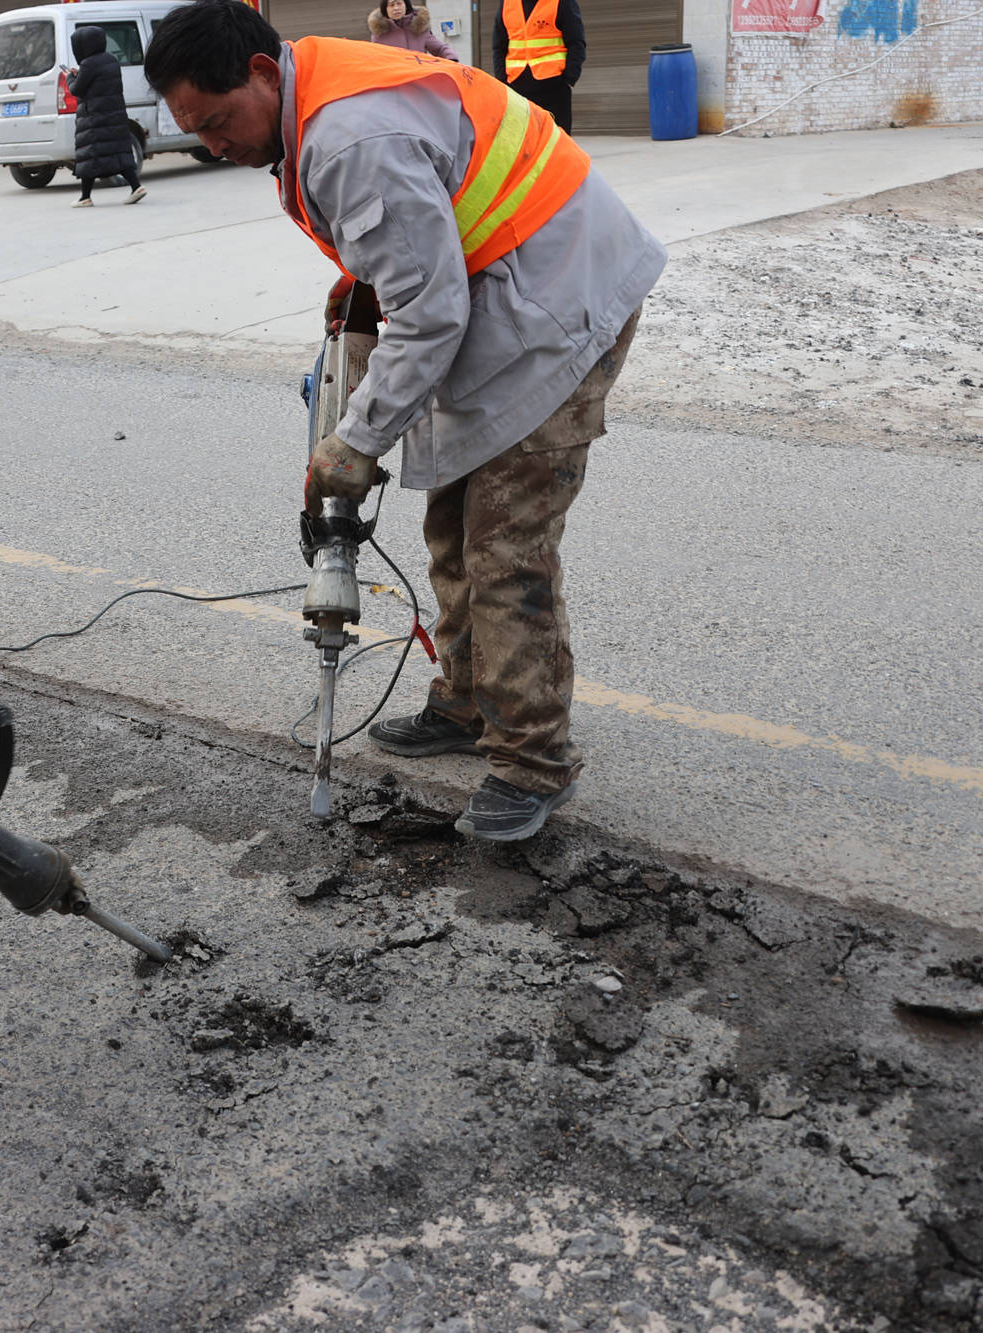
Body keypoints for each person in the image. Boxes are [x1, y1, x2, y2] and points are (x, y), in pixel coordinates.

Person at [146, 2, 664, 841]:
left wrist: (353, 443)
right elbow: (426, 233)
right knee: (451, 519)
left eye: (218, 123)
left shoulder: (348, 140)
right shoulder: (310, 95)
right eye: (195, 135)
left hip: (562, 294)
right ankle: (465, 701)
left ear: (262, 74)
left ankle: (533, 759)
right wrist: (367, 279)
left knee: (503, 545)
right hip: (511, 275)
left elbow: (429, 313)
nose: (215, 146)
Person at [69, 25, 147, 205]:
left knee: (90, 156)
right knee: (119, 153)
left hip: (94, 119)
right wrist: (80, 74)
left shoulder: (88, 64)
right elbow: (98, 82)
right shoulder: (111, 60)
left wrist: (70, 77)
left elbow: (77, 89)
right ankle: (136, 187)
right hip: (114, 116)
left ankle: (85, 197)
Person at [492, 0, 584, 133]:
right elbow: (499, 46)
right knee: (522, 144)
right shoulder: (507, 3)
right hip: (516, 89)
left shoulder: (561, 2)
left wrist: (569, 79)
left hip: (553, 89)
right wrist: (502, 82)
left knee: (556, 144)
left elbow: (576, 43)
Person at [367, 0, 461, 63]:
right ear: (385, 9)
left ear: (406, 5)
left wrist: (452, 58)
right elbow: (375, 60)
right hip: (392, 84)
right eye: (391, 5)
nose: (396, 8)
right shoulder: (379, 33)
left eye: (399, 3)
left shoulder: (419, 28)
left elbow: (439, 49)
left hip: (418, 82)